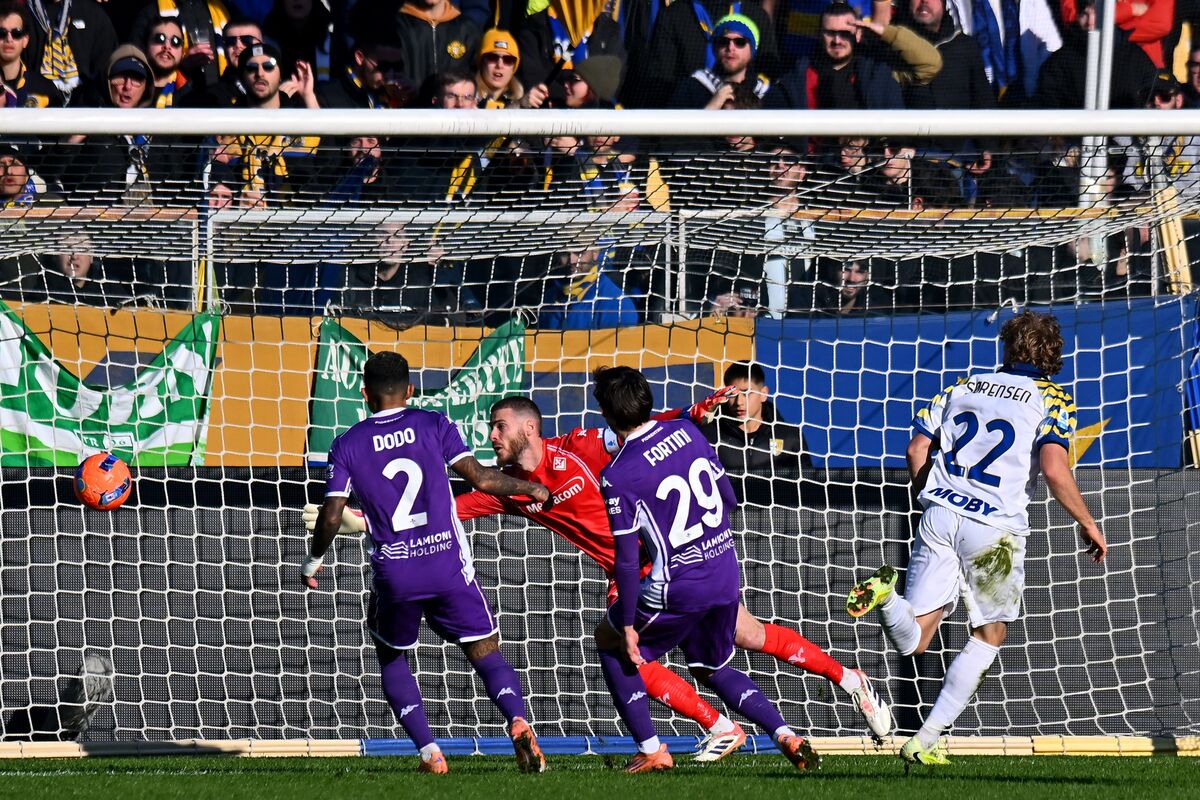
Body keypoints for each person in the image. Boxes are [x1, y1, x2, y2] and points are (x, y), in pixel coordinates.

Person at [305, 388, 893, 759]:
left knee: (627, 649)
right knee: (742, 637)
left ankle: (715, 728)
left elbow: (640, 431)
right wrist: (357, 520)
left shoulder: (583, 447)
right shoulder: (503, 491)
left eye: (498, 428)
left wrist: (689, 413)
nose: (491, 439)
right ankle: (845, 682)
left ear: (528, 429)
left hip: (653, 567)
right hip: (662, 567)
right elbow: (438, 509)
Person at [846, 311, 1107, 765]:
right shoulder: (1051, 397)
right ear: (1052, 354)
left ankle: (886, 599)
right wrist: (1086, 521)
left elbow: (916, 448)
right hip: (994, 527)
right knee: (989, 633)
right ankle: (925, 740)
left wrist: (928, 493)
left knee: (914, 640)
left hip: (940, 513)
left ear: (1006, 347)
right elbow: (1052, 467)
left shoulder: (961, 385)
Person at [303, 351, 553, 775]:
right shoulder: (434, 423)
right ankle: (517, 719)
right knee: (485, 652)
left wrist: (312, 561)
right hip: (447, 565)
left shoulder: (347, 443)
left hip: (396, 573)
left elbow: (330, 515)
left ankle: (430, 754)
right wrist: (532, 489)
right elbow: (483, 479)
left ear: (364, 395)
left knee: (391, 656)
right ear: (411, 390)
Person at [591, 366, 819, 772]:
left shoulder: (617, 474)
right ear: (648, 399)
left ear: (607, 415)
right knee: (709, 664)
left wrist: (628, 622)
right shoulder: (689, 434)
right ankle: (784, 733)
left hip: (678, 583)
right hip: (725, 569)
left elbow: (627, 559)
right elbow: (728, 497)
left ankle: (650, 749)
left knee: (611, 643)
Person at [700, 361, 811, 487]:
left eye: (747, 393)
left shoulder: (789, 437)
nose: (739, 402)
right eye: (732, 394)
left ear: (763, 394)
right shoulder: (709, 436)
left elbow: (807, 489)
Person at [0, 2, 63, 107]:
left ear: (25, 40)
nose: (9, 39)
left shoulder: (44, 88)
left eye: (17, 33)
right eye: (1, 33)